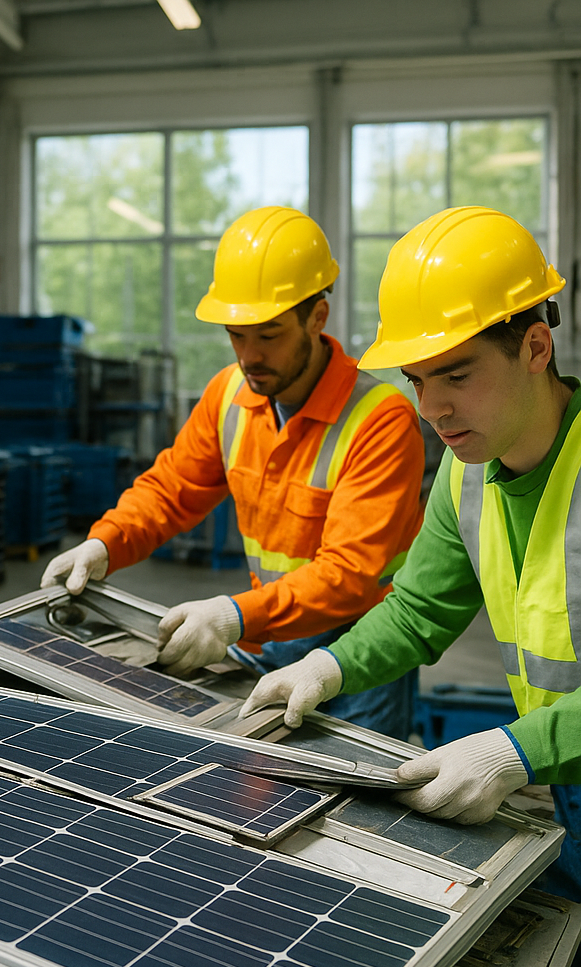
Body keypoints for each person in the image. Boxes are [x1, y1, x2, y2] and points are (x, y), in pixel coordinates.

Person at [238, 205, 581, 900]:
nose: (433, 409)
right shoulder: (468, 470)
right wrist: (329, 664)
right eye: (417, 381)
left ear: (536, 348)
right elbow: (420, 609)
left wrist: (519, 749)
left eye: (457, 376)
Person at [42, 206, 425, 739]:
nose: (249, 355)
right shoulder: (227, 395)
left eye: (268, 335)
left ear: (318, 317)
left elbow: (349, 575)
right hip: (264, 637)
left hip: (359, 659)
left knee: (352, 798)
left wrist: (232, 616)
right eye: (236, 335)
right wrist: (105, 543)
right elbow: (173, 488)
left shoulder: (380, 420)